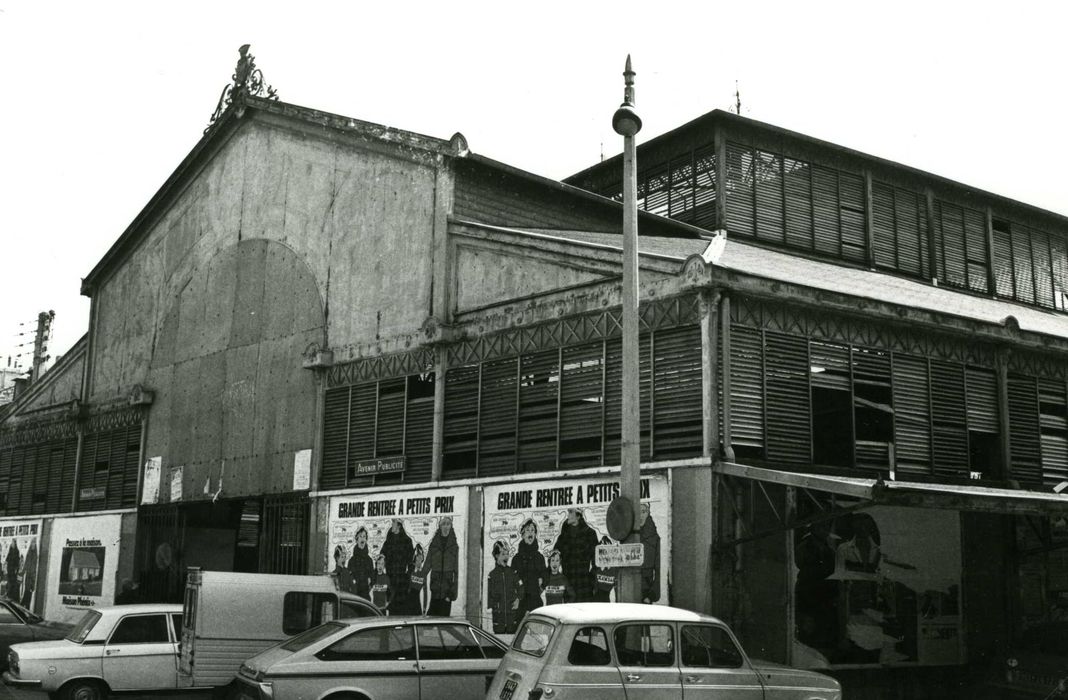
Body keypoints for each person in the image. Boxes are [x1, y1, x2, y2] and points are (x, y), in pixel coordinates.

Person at [553, 508, 598, 602]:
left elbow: (596, 561)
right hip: (568, 585)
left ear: (578, 516)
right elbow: (554, 557)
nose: (567, 515)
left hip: (584, 585)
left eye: (570, 512)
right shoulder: (563, 535)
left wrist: (591, 582)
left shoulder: (590, 534)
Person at [423, 516, 459, 616]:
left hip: (446, 593)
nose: (446, 526)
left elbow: (456, 572)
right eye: (443, 524)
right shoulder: (434, 545)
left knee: (444, 622)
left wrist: (452, 594)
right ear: (440, 526)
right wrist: (419, 578)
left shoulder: (454, 546)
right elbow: (427, 564)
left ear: (451, 526)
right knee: (431, 620)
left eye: (448, 524)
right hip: (435, 591)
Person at [511, 519, 547, 617]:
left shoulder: (539, 557)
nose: (530, 533)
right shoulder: (516, 559)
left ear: (535, 534)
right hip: (520, 602)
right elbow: (512, 580)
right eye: (527, 530)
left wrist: (538, 590)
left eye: (533, 530)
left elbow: (545, 577)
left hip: (535, 601)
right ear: (522, 535)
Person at [487, 541, 521, 634]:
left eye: (507, 554)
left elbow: (521, 588)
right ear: (497, 556)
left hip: (512, 617)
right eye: (503, 554)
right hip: (499, 618)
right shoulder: (492, 575)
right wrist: (493, 607)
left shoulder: (513, 573)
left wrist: (518, 599)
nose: (506, 557)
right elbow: (489, 597)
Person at [382, 519, 414, 613]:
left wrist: (407, 578)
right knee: (391, 610)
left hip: (401, 582)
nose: (391, 524)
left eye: (393, 523)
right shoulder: (388, 541)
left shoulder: (407, 541)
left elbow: (411, 563)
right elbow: (382, 556)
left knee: (401, 610)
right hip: (390, 580)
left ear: (399, 525)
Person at [638, 503, 661, 604]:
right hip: (630, 587)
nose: (640, 516)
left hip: (646, 590)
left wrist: (651, 594)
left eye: (643, 512)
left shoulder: (654, 538)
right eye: (638, 512)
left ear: (648, 513)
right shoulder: (629, 535)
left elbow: (658, 568)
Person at [346, 527, 374, 598]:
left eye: (364, 536)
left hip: (365, 597)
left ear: (366, 539)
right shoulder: (352, 561)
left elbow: (373, 578)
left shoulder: (369, 560)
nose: (362, 538)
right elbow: (349, 578)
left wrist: (368, 588)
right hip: (355, 596)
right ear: (357, 539)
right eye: (360, 536)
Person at [591, 536, 616, 603]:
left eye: (607, 550)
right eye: (602, 550)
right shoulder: (595, 569)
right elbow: (593, 590)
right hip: (596, 602)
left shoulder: (615, 569)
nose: (605, 554)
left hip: (610, 601)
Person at [21, 539, 37, 609]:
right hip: (28, 576)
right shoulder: (29, 553)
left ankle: (24, 607)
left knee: (29, 593)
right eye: (32, 543)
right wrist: (22, 572)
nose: (33, 544)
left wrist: (33, 582)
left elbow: (35, 568)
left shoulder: (35, 555)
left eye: (34, 543)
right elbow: (26, 564)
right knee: (27, 592)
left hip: (32, 577)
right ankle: (24, 607)